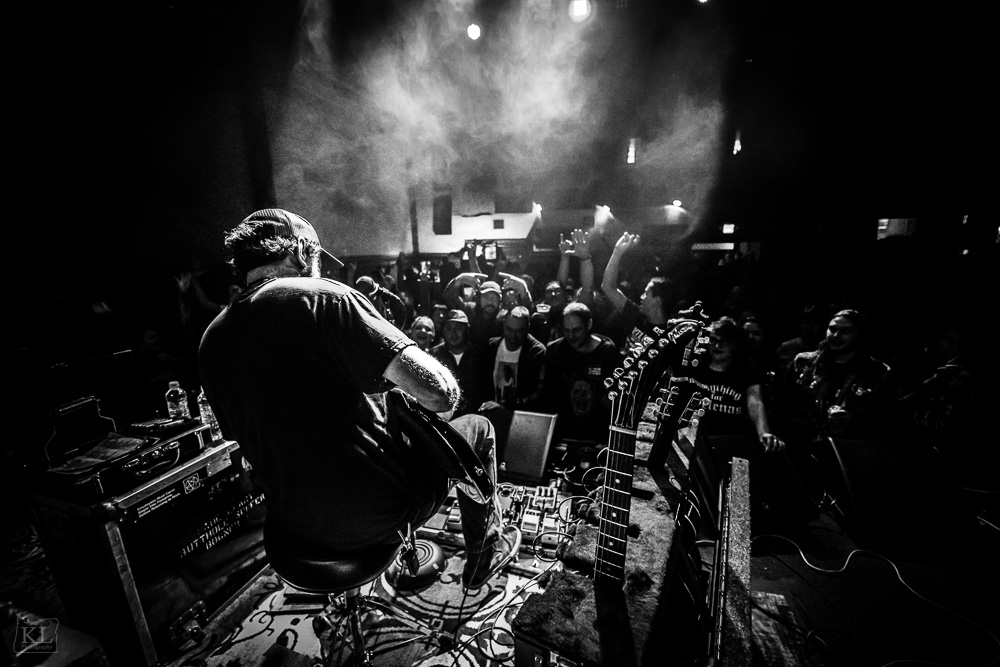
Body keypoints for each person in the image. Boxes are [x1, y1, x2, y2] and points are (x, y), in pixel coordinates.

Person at [198, 209, 519, 591]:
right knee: (478, 428)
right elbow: (441, 395)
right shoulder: (324, 297)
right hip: (377, 516)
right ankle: (485, 551)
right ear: (302, 251)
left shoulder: (211, 340)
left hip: (292, 523)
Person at [779, 308, 895, 448]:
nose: (836, 335)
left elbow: (887, 420)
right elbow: (784, 405)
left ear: (861, 335)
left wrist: (856, 420)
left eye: (846, 331)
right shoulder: (804, 363)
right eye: (832, 329)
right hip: (801, 445)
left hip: (848, 448)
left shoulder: (877, 372)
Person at [541, 302, 620, 444]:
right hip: (563, 435)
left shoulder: (606, 352)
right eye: (567, 330)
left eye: (577, 330)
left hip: (596, 436)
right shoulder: (555, 351)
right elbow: (548, 396)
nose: (571, 336)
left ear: (589, 325)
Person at [600, 232, 677, 358]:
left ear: (657, 300)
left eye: (646, 293)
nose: (641, 296)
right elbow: (608, 287)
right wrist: (617, 252)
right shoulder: (636, 316)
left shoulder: (671, 335)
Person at [429, 309, 493, 419]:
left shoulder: (480, 355)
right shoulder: (433, 355)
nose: (454, 333)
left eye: (458, 328)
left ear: (467, 330)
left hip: (475, 417)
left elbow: (489, 388)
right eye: (449, 329)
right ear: (443, 331)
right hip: (443, 419)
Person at [481, 306, 546, 412]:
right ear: (503, 324)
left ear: (527, 328)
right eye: (509, 329)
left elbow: (539, 392)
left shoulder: (536, 352)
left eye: (519, 331)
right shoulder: (492, 346)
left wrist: (507, 406)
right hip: (492, 412)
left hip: (522, 415)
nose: (513, 336)